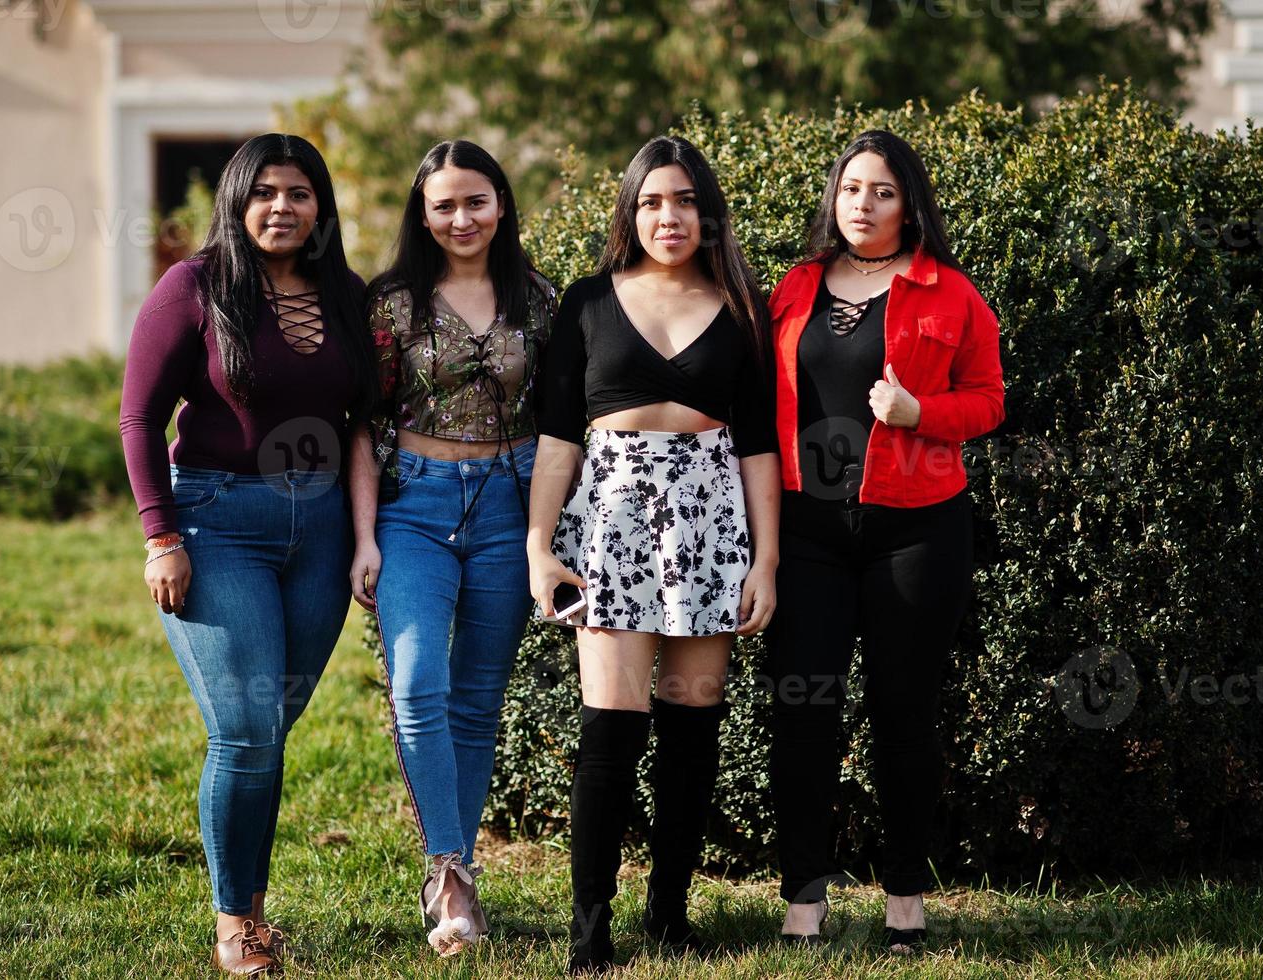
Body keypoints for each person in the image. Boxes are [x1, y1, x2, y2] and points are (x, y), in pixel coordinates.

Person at [119, 133, 376, 975]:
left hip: (322, 531)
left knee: (273, 726)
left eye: (298, 193)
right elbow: (137, 419)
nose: (280, 207)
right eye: (263, 191)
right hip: (216, 522)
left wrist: (367, 533)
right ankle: (237, 925)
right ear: (236, 200)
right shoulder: (192, 287)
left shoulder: (345, 294)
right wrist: (161, 536)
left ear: (319, 206)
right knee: (245, 732)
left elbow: (364, 421)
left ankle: (255, 907)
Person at [527, 135, 781, 974]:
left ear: (706, 213)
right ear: (629, 213)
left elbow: (758, 448)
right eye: (650, 202)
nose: (666, 217)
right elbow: (559, 437)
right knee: (611, 725)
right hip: (611, 521)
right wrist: (539, 546)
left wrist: (765, 561)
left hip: (711, 520)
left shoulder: (743, 302)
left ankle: (669, 915)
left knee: (692, 724)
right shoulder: (588, 302)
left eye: (681, 201)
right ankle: (589, 930)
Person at [760, 130, 1005, 952]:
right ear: (833, 196)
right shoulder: (791, 289)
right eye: (851, 189)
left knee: (903, 716)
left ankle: (905, 902)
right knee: (804, 715)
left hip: (916, 529)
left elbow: (988, 401)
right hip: (806, 530)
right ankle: (803, 905)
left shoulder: (950, 293)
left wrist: (919, 414)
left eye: (882, 192)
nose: (862, 205)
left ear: (910, 207)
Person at [346, 140, 557, 958]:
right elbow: (362, 425)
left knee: (475, 701)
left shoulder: (537, 301)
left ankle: (454, 879)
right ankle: (450, 872)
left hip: (509, 501)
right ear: (422, 213)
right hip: (413, 508)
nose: (461, 217)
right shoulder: (391, 303)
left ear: (500, 204)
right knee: (416, 686)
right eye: (444, 204)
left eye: (476, 200)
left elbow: (559, 420)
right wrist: (363, 536)